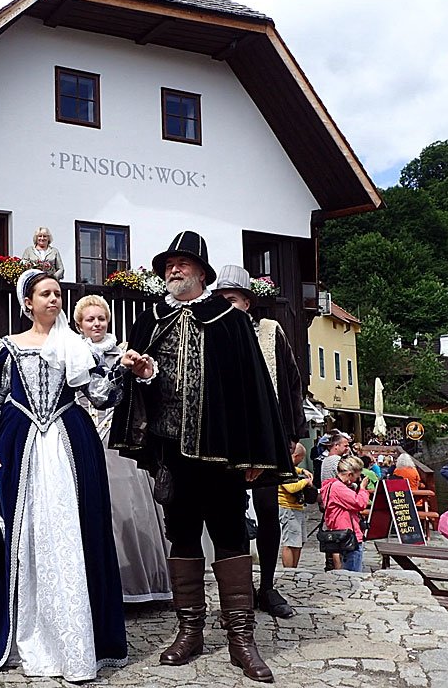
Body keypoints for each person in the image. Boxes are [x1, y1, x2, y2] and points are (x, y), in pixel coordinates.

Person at [109, 231, 294, 684]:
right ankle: (189, 631)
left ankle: (240, 639)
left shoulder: (230, 319)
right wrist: (141, 373)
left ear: (203, 273)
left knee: (231, 535)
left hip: (222, 454)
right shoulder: (150, 320)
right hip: (171, 451)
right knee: (183, 536)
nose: (174, 269)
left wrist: (257, 454)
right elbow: (138, 382)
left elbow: (254, 390)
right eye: (170, 263)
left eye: (183, 264)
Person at [0, 271, 127, 681]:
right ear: (27, 301)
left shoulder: (76, 346)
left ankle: (74, 641)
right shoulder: (6, 347)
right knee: (24, 537)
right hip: (18, 444)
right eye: (45, 293)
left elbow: (98, 395)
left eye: (58, 294)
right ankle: (28, 631)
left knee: (71, 535)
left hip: (69, 443)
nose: (53, 300)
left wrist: (119, 373)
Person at [213, 264, 305, 619]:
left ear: (247, 303)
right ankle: (240, 592)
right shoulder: (213, 333)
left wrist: (295, 435)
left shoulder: (270, 331)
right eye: (221, 299)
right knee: (231, 514)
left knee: (269, 510)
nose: (227, 305)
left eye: (232, 299)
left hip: (268, 436)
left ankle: (266, 586)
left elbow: (292, 383)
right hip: (227, 440)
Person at [73, 294, 171, 603]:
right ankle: (94, 586)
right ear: (79, 324)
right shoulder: (72, 354)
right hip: (83, 437)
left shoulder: (122, 353)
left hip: (116, 438)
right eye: (90, 319)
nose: (97, 324)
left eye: (101, 318)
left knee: (127, 507)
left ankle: (134, 585)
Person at [320, 455, 371, 572]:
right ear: (349, 474)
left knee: (345, 568)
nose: (357, 479)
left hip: (340, 531)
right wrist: (363, 488)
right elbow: (360, 503)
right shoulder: (338, 488)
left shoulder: (331, 485)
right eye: (357, 476)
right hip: (349, 534)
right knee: (352, 572)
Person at [278, 443, 314, 569]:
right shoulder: (283, 468)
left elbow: (294, 469)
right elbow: (291, 487)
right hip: (288, 508)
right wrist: (305, 481)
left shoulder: (291, 468)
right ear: (296, 456)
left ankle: (294, 568)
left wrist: (303, 471)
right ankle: (289, 570)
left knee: (298, 541)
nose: (302, 461)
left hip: (297, 508)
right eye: (302, 458)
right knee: (290, 542)